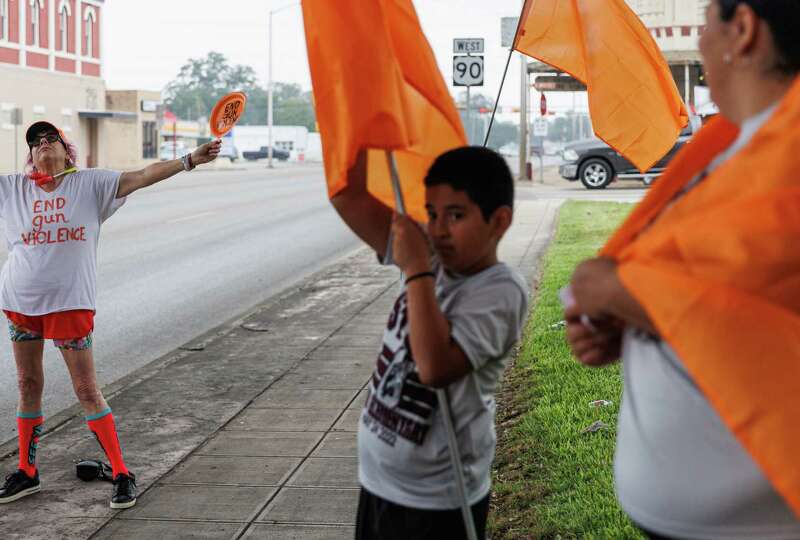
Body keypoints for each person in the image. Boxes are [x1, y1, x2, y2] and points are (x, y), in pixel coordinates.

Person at [0, 121, 221, 509]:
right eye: (35, 142)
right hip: (20, 303)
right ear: (31, 154)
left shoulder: (92, 185)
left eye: (50, 139)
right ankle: (27, 472)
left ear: (65, 149)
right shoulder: (12, 188)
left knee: (86, 390)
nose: (43, 145)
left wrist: (190, 159)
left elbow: (143, 175)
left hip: (70, 303)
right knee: (27, 383)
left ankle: (122, 472)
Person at [564, 0, 800, 538]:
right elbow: (726, 288)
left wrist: (613, 289)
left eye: (706, 21)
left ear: (741, 29)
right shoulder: (726, 146)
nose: (697, 42)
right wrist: (627, 321)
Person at [331, 147, 529, 539]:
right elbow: (347, 196)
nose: (438, 229)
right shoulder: (434, 255)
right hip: (378, 482)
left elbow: (435, 368)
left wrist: (417, 268)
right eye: (431, 213)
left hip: (435, 502)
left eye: (456, 215)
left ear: (499, 221)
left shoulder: (500, 291)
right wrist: (364, 122)